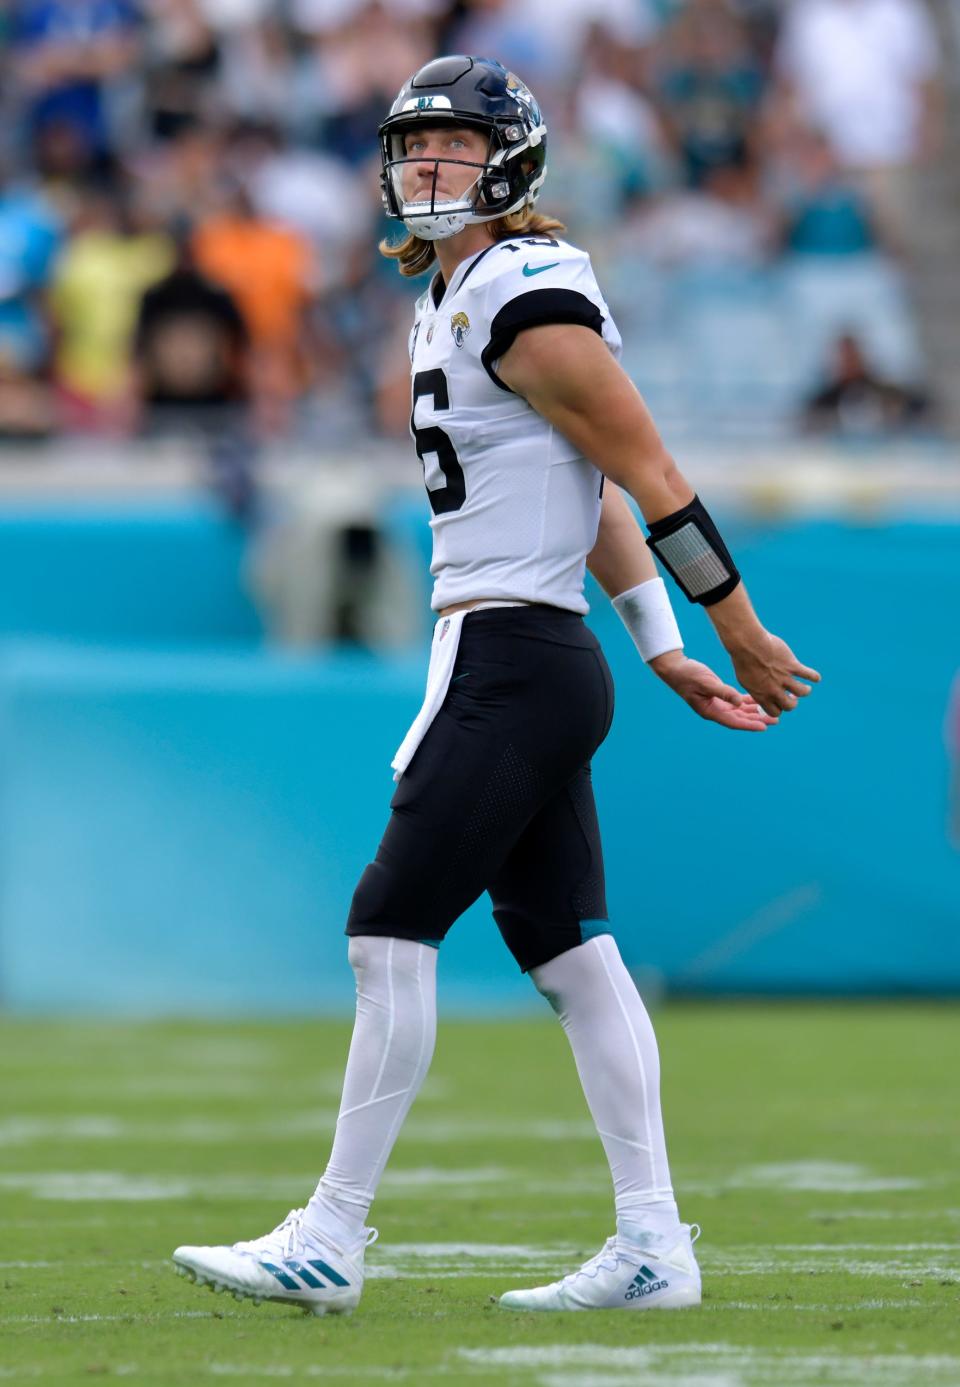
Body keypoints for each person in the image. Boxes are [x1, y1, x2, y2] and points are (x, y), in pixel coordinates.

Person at [173, 54, 819, 1316]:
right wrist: (655, 641)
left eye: (454, 146)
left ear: (509, 159)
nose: (426, 166)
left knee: (385, 932)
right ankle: (652, 1246)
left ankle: (333, 1233)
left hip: (512, 656)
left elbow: (645, 469)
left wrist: (730, 620)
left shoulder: (524, 289)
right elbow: (585, 496)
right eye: (412, 146)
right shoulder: (457, 294)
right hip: (531, 649)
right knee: (573, 951)